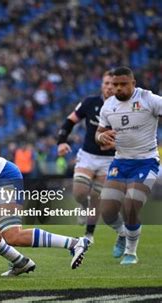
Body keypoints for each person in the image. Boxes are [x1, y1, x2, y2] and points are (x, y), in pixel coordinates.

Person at [95, 66, 161, 265]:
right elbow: (98, 133)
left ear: (133, 83)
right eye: (115, 85)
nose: (118, 88)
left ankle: (131, 253)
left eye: (123, 84)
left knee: (131, 204)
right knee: (107, 212)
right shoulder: (108, 106)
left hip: (146, 162)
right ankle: (123, 234)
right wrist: (101, 136)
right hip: (120, 162)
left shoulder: (150, 100)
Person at [57, 70, 115, 242]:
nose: (110, 87)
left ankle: (89, 234)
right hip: (88, 155)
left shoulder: (124, 108)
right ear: (102, 85)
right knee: (80, 193)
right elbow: (70, 121)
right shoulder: (90, 103)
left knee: (98, 197)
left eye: (114, 84)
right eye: (107, 83)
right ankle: (83, 205)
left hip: (109, 159)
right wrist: (61, 141)